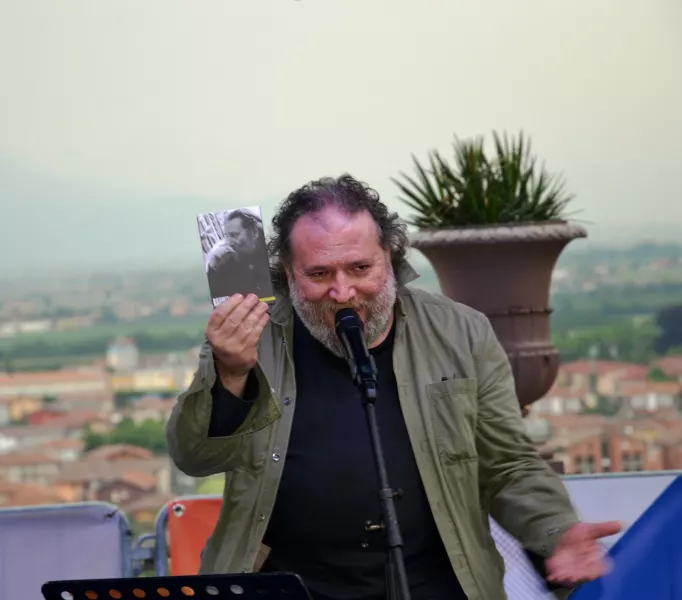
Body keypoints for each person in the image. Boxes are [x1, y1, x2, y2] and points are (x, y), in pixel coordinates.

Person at [167, 174, 621, 600]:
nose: (343, 292)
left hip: (437, 587)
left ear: (391, 256)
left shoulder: (461, 332)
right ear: (287, 272)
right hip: (290, 589)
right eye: (320, 274)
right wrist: (230, 373)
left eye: (360, 267)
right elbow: (194, 456)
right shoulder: (248, 337)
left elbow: (507, 464)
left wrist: (557, 528)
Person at [205, 208, 271, 302]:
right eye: (227, 236)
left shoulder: (271, 256)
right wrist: (212, 266)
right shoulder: (226, 263)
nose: (228, 242)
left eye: (234, 235)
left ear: (254, 232)